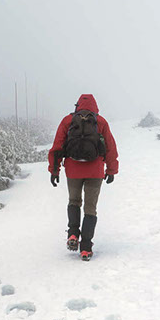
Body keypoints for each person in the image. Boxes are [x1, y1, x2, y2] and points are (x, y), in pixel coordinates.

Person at [48, 94, 119, 261]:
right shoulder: (101, 122)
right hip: (95, 171)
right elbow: (110, 148)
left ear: (77, 105)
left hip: (73, 170)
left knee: (74, 201)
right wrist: (111, 170)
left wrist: (54, 170)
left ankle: (73, 234)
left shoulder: (68, 121)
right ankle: (86, 248)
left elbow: (57, 147)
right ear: (95, 106)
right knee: (90, 208)